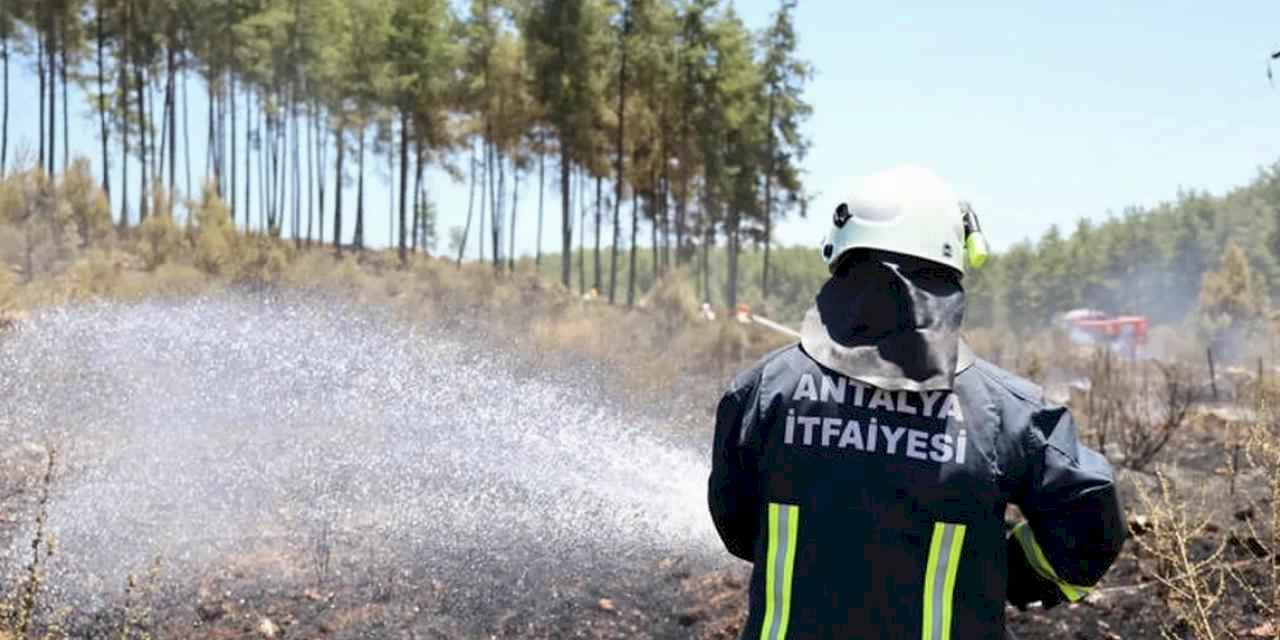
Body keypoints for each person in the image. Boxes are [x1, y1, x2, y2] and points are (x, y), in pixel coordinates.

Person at [707, 166, 1126, 640]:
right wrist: (1016, 572)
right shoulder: (1010, 413)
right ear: (950, 270)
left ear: (842, 258)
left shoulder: (765, 391)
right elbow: (1091, 519)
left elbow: (739, 527)